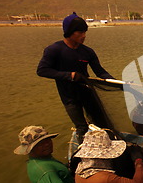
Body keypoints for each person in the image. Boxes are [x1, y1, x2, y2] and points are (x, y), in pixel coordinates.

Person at [37, 12, 114, 141]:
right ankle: (83, 152)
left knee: (103, 123)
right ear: (69, 32)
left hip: (88, 93)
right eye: (80, 32)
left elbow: (100, 71)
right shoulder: (54, 50)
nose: (83, 36)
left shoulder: (87, 51)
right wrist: (68, 75)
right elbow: (42, 70)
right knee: (81, 127)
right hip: (70, 98)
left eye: (85, 32)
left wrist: (117, 83)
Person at [14, 126, 78, 183]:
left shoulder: (42, 159)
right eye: (40, 144)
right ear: (30, 149)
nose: (47, 144)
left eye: (47, 140)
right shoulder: (44, 169)